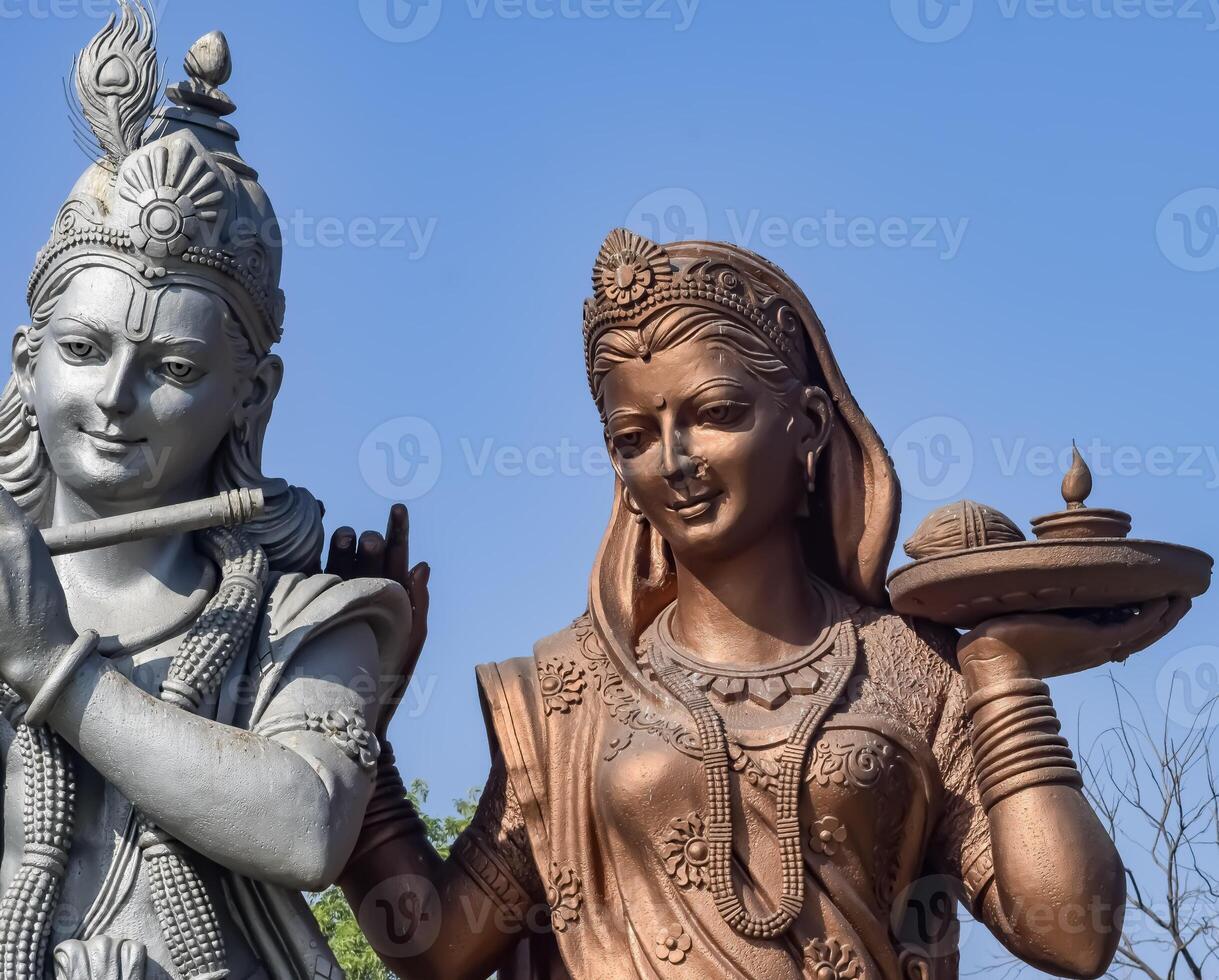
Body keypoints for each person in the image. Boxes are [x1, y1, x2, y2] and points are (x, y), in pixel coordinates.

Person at [339, 229, 1188, 980]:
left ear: (809, 424)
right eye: (633, 439)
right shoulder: (569, 696)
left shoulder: (912, 668)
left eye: (715, 414)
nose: (673, 461)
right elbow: (440, 947)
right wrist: (353, 722)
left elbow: (1071, 938)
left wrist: (1002, 678)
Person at [0, 5, 415, 977]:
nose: (114, 397)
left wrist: (52, 665)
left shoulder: (303, 617)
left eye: (173, 366)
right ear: (26, 363)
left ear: (248, 396)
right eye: (83, 349)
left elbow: (307, 826)